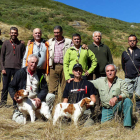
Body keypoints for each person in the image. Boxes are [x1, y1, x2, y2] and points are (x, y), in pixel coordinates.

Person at [8, 54, 48, 123]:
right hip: (23, 101)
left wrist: (39, 97)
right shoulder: (20, 73)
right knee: (20, 121)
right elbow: (11, 86)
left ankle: (42, 115)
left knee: (51, 96)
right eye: (32, 62)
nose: (34, 64)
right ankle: (21, 114)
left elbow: (45, 88)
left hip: (36, 101)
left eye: (36, 63)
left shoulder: (40, 74)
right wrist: (15, 97)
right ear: (27, 62)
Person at [45, 25, 72, 107]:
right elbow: (39, 42)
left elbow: (76, 48)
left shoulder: (68, 42)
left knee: (65, 89)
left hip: (65, 68)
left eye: (58, 32)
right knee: (52, 90)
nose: (56, 34)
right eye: (55, 33)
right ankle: (51, 109)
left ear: (61, 32)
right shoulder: (50, 41)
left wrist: (84, 46)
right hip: (53, 67)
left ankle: (63, 108)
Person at [1, 27, 25, 106]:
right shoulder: (5, 43)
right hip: (7, 68)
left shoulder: (21, 44)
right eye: (12, 33)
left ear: (17, 34)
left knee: (16, 86)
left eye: (15, 33)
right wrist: (2, 68)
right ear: (9, 34)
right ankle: (3, 103)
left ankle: (16, 103)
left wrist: (22, 69)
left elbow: (24, 57)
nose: (13, 34)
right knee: (5, 86)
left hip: (18, 69)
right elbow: (1, 57)